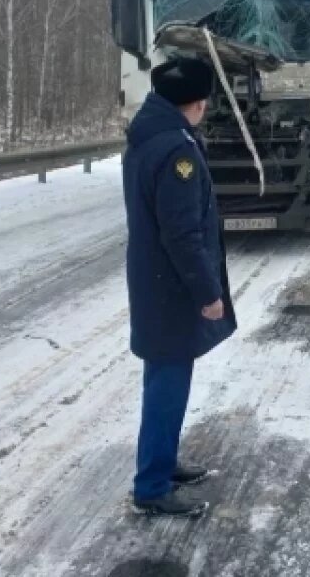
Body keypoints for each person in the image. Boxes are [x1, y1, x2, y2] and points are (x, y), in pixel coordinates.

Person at [122, 56, 238, 518]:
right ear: (194, 102)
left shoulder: (148, 136)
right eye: (204, 99)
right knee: (167, 385)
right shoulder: (178, 151)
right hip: (171, 288)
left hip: (155, 281)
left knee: (163, 379)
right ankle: (151, 486)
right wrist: (209, 294)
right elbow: (182, 233)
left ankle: (162, 465)